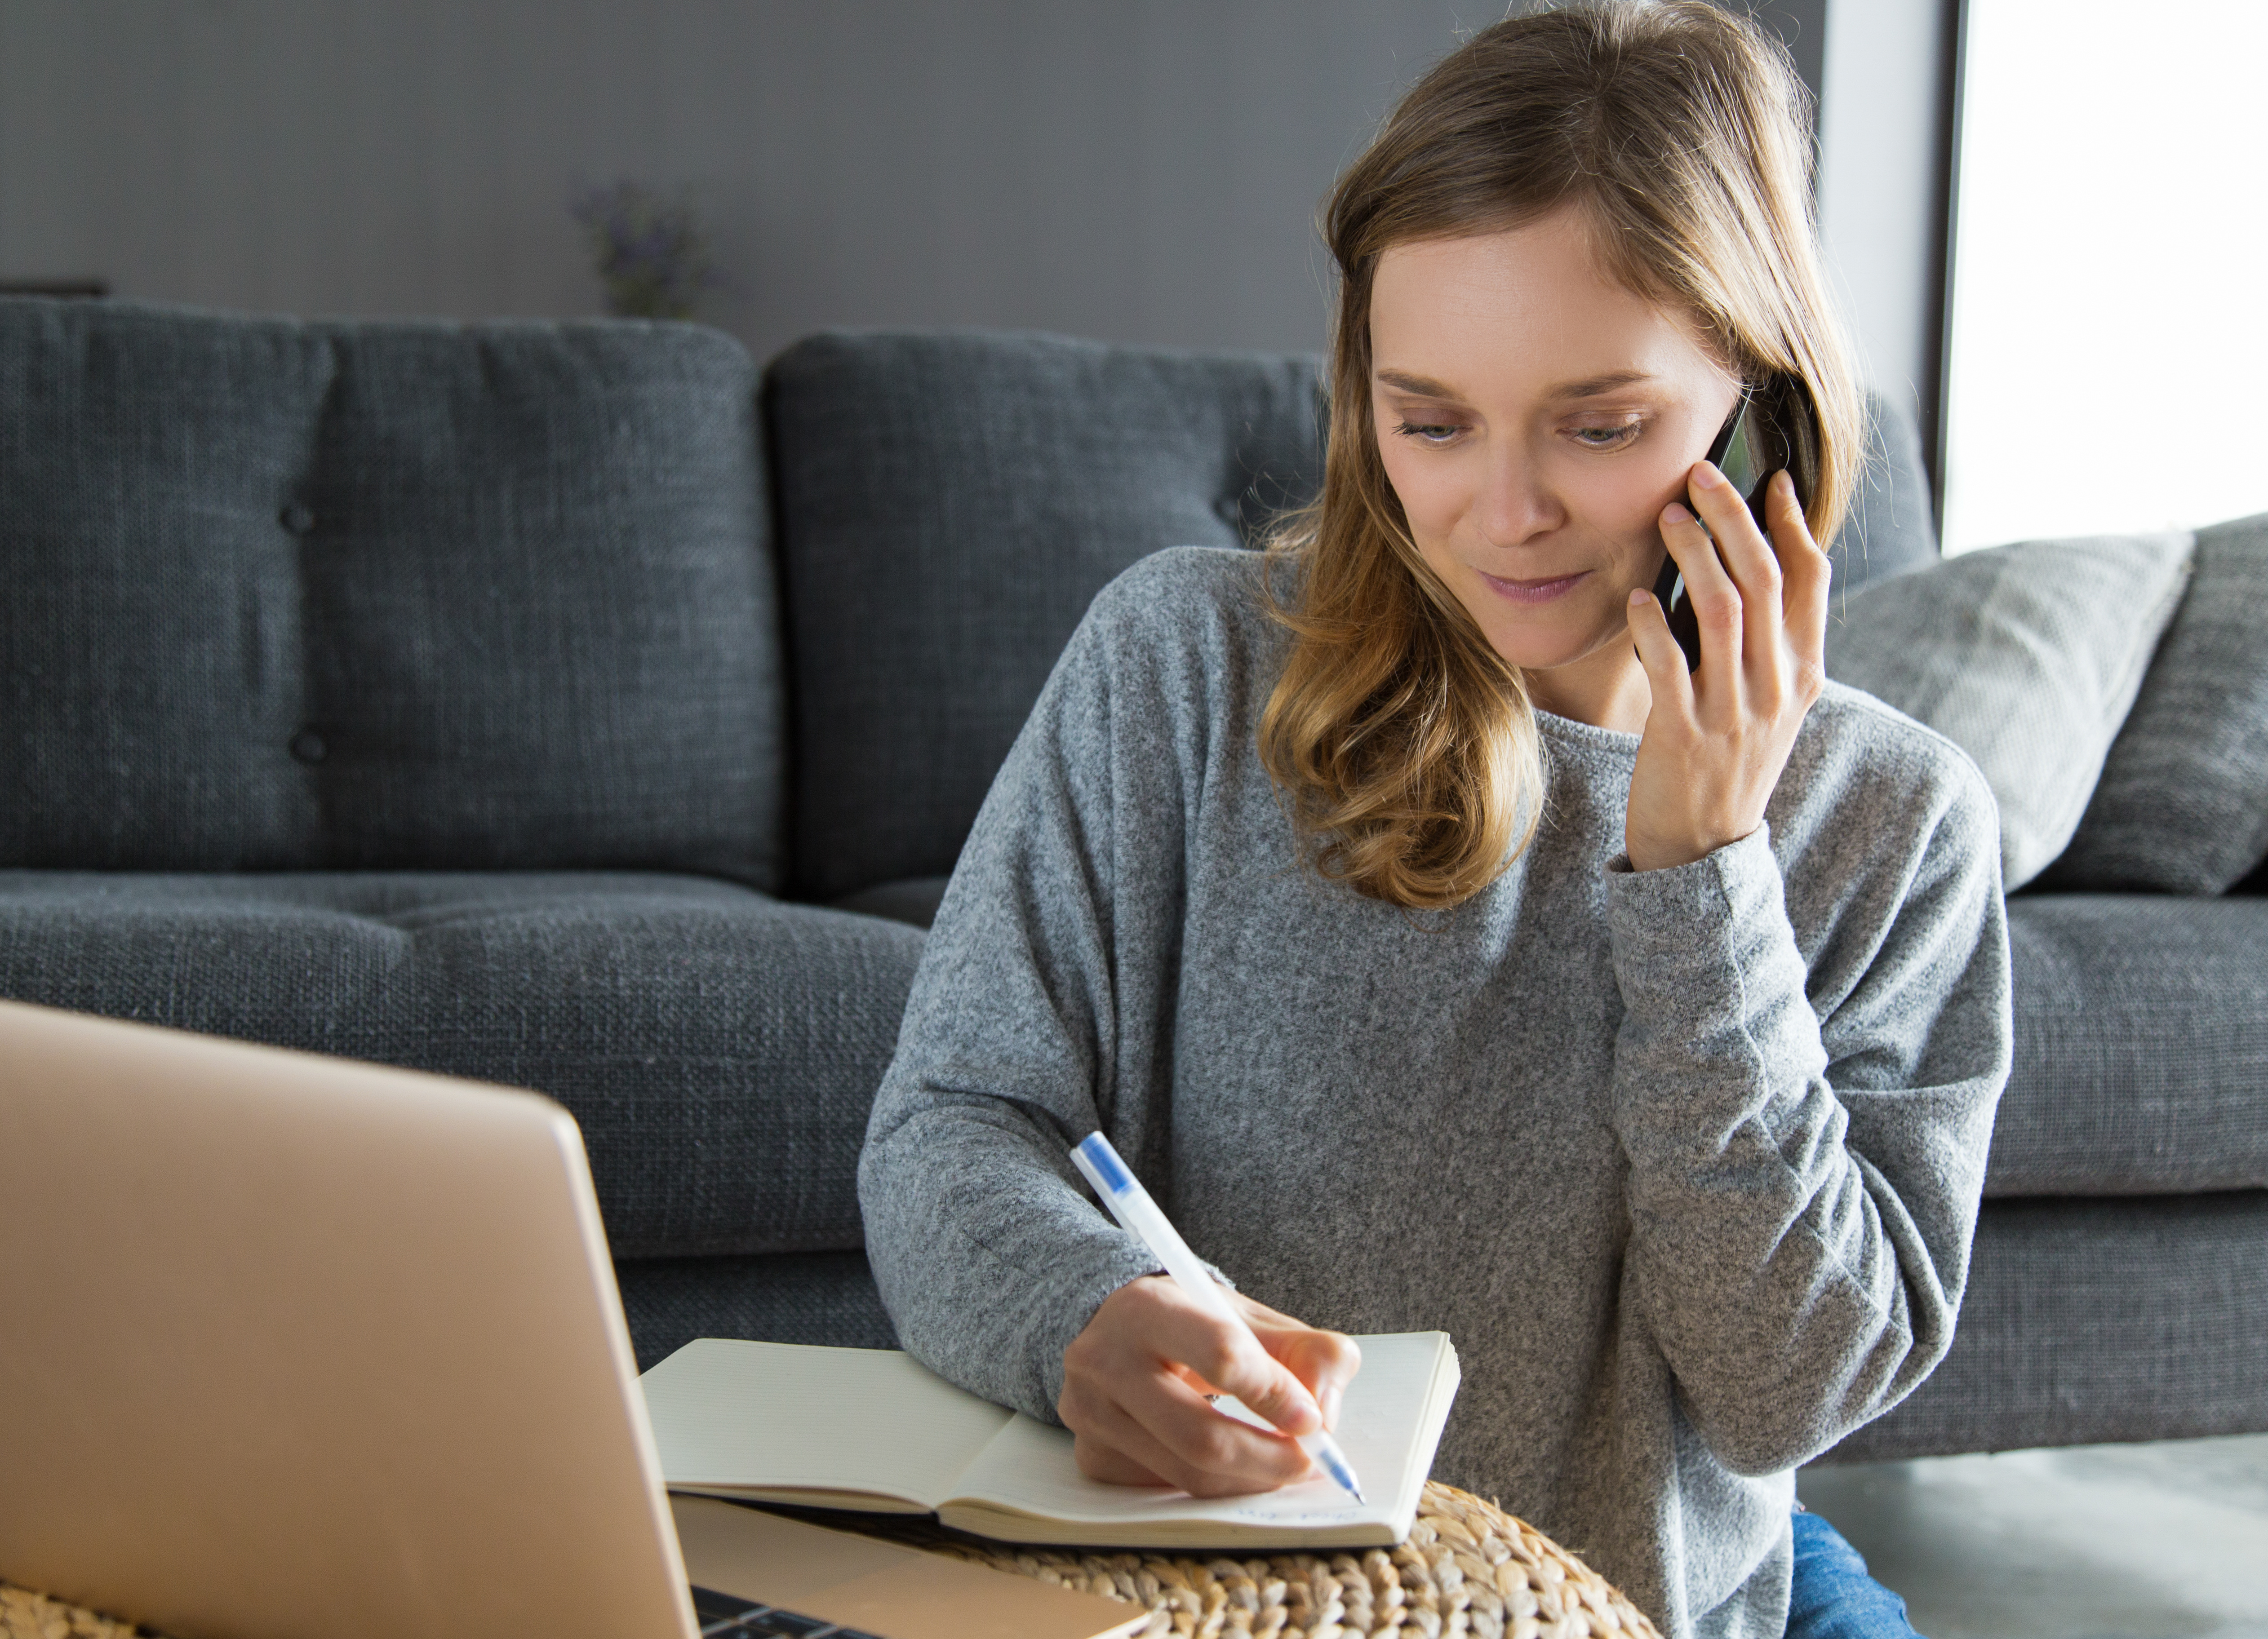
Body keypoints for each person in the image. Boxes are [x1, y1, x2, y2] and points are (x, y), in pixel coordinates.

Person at [857, 4, 2010, 1637]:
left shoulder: (1895, 822)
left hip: (1650, 1604)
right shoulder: (1182, 664)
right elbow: (954, 1122)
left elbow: (1786, 1393)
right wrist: (1081, 1313)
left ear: (1756, 405)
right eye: (1433, 420)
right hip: (1203, 1597)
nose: (1505, 511)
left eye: (1601, 426)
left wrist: (1703, 876)